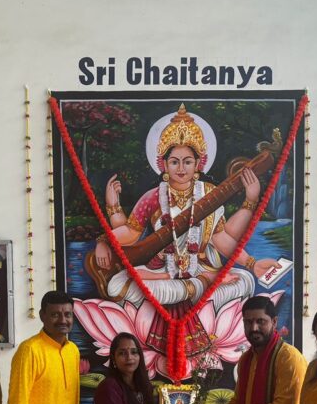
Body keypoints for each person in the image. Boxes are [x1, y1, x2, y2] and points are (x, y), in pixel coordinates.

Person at [90, 104, 280, 362]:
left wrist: (252, 263)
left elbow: (220, 238)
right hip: (164, 271)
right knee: (117, 284)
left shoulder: (210, 194)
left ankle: (199, 287)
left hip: (197, 268)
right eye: (174, 161)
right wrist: (103, 239)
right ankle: (199, 287)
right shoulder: (154, 197)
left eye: (187, 161)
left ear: (198, 164)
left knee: (245, 280)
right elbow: (130, 234)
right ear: (163, 165)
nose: (181, 168)